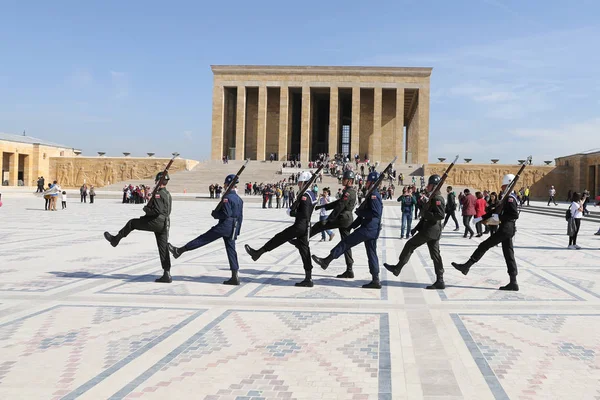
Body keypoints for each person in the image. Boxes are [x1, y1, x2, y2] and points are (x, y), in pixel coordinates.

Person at [311, 171, 383, 289]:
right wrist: (353, 225)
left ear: (372, 182)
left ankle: (326, 261)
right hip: (371, 228)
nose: (365, 183)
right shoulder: (372, 193)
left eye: (368, 181)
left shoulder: (374, 194)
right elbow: (362, 216)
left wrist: (360, 212)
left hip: (369, 228)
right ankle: (376, 280)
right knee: (371, 253)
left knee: (346, 242)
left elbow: (375, 213)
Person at [245, 172, 317, 287]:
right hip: (306, 226)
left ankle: (258, 252)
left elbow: (303, 214)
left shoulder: (305, 196)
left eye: (300, 182)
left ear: (304, 182)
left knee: (279, 238)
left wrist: (292, 212)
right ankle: (308, 278)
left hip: (300, 225)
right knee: (304, 251)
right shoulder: (312, 194)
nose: (298, 184)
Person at [169, 174, 243, 284]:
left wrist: (216, 214)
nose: (223, 186)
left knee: (204, 238)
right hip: (234, 226)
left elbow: (226, 214)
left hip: (225, 226)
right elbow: (240, 216)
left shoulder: (227, 198)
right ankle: (235, 276)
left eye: (225, 184)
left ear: (227, 184)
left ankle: (180, 250)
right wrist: (237, 231)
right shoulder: (239, 199)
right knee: (231, 250)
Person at [451, 174, 521, 291]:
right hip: (507, 229)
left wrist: (500, 218)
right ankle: (513, 282)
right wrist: (481, 217)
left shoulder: (510, 198)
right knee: (509, 255)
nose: (502, 187)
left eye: (503, 186)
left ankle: (466, 266)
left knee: (484, 245)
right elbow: (495, 211)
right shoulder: (507, 197)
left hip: (506, 228)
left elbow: (514, 215)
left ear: (507, 185)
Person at [104, 172, 173, 283]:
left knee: (132, 223)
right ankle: (167, 273)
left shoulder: (158, 194)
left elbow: (157, 211)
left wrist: (146, 210)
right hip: (165, 223)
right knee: (163, 248)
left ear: (159, 181)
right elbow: (167, 211)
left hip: (156, 222)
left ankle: (115, 239)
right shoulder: (168, 194)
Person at [384, 175, 446, 289]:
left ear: (434, 186)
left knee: (410, 245)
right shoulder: (433, 197)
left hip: (430, 231)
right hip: (432, 230)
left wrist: (424, 213)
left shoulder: (437, 198)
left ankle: (397, 268)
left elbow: (440, 215)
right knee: (435, 255)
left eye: (429, 184)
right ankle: (440, 280)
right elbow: (426, 216)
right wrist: (416, 228)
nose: (427, 186)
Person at [308, 171, 357, 277]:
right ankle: (349, 270)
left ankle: (303, 238)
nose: (342, 180)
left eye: (344, 179)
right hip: (347, 219)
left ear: (349, 181)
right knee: (346, 244)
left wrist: (329, 219)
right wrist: (324, 206)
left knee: (320, 225)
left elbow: (340, 206)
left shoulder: (349, 192)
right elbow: (338, 203)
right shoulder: (349, 191)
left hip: (343, 218)